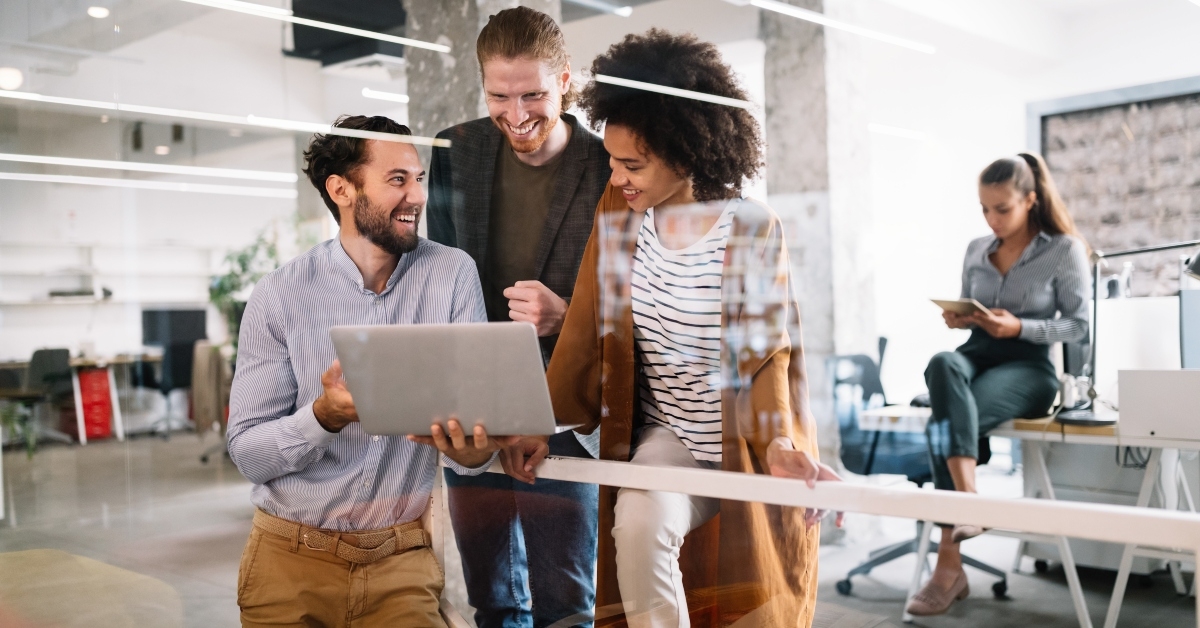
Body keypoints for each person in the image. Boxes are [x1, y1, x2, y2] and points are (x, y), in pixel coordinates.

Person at [503, 30, 835, 628]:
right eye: (611, 160)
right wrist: (539, 422)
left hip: (743, 441)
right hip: (672, 437)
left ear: (686, 156)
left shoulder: (751, 228)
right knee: (637, 522)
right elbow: (588, 324)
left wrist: (781, 446)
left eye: (633, 165)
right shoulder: (620, 214)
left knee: (756, 597)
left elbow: (768, 355)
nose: (616, 177)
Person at [227, 115, 513, 628]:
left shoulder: (452, 274)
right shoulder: (280, 295)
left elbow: (473, 450)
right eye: (397, 179)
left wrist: (474, 448)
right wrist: (323, 416)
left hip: (400, 563)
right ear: (341, 190)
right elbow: (248, 454)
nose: (417, 196)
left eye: (419, 178)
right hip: (289, 560)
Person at [426, 7, 609, 628]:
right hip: (476, 405)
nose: (517, 114)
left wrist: (568, 317)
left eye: (533, 94)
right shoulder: (457, 150)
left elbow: (638, 297)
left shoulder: (607, 165)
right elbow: (438, 276)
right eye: (499, 96)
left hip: (566, 406)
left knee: (566, 602)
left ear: (565, 80)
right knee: (491, 598)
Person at [906, 153, 1090, 616]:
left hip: (1029, 366)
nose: (992, 219)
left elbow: (1079, 326)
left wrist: (1021, 327)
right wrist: (959, 318)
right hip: (977, 354)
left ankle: (947, 569)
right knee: (941, 364)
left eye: (1002, 209)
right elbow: (967, 309)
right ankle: (970, 502)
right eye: (985, 209)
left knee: (945, 420)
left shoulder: (1063, 249)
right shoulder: (976, 249)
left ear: (1030, 200)